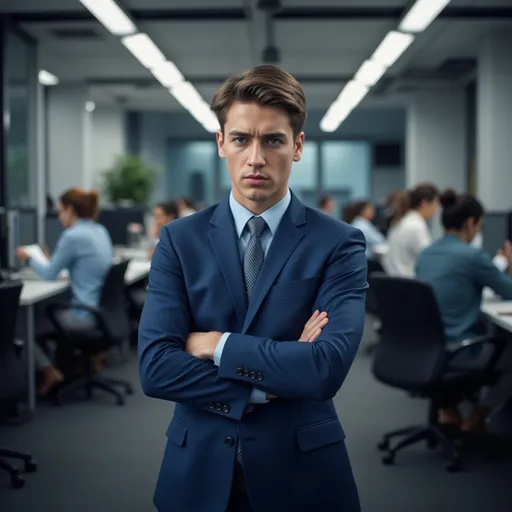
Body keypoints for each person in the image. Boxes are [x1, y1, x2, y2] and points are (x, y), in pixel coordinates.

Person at [138, 65, 367, 512]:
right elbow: (155, 367)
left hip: (302, 473)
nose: (256, 157)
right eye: (241, 139)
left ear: (297, 146)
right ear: (221, 143)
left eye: (273, 140)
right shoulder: (179, 240)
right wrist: (269, 381)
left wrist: (216, 344)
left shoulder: (338, 242)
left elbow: (324, 368)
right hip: (197, 468)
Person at [416, 189, 512, 432]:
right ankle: (479, 414)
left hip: (425, 347)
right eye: (480, 225)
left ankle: (448, 408)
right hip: (458, 347)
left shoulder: (426, 254)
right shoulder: (472, 256)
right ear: (470, 223)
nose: (479, 230)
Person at [16, 188, 113, 396]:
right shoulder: (99, 230)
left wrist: (28, 258)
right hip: (99, 310)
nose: (59, 217)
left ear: (70, 210)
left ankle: (49, 371)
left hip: (82, 313)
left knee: (22, 326)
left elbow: (50, 274)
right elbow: (86, 265)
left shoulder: (72, 235)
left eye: (60, 211)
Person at [382, 183, 439, 277]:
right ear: (424, 203)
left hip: (394, 282)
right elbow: (428, 261)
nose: (437, 209)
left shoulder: (402, 221)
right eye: (436, 203)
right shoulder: (416, 226)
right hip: (409, 283)